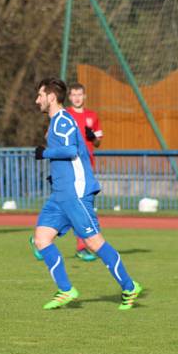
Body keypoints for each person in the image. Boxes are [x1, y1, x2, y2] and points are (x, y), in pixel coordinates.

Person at [31, 77, 142, 310]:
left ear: (51, 97)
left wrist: (46, 153)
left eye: (40, 95)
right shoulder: (55, 121)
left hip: (76, 193)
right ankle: (65, 290)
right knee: (41, 239)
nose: (37, 100)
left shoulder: (62, 120)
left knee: (93, 243)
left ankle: (129, 287)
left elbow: (71, 149)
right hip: (59, 195)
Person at [67, 82, 103, 261]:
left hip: (87, 167)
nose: (77, 98)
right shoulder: (64, 115)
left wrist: (92, 138)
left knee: (83, 206)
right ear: (69, 97)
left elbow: (98, 142)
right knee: (74, 206)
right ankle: (42, 239)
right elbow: (50, 136)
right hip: (70, 167)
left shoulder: (92, 116)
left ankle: (82, 245)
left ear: (84, 96)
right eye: (74, 94)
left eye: (79, 94)